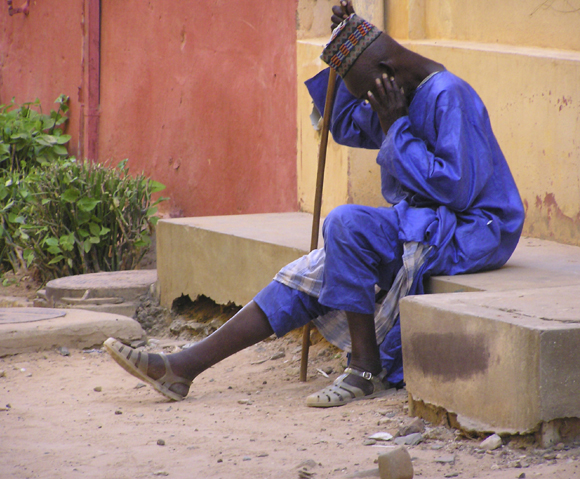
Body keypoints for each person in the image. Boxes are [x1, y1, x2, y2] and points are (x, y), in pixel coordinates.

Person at [104, 1, 524, 408]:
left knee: (345, 226)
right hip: (426, 220)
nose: (367, 104)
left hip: (476, 229)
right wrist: (343, 55)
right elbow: (342, 124)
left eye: (365, 92)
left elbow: (455, 189)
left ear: (387, 74)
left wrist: (395, 125)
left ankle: (364, 369)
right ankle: (183, 367)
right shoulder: (396, 89)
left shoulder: (449, 95)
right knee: (318, 267)